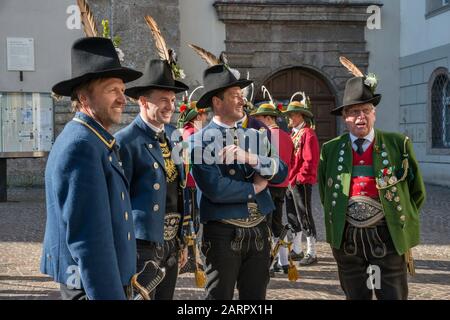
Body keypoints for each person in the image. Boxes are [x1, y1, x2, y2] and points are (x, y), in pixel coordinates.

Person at [40, 37, 142, 300]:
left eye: (123, 89)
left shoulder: (93, 140)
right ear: (84, 97)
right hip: (93, 287)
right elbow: (90, 241)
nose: (123, 99)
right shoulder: (82, 146)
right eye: (112, 90)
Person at [318, 67, 426, 299]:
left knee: (392, 295)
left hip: (387, 235)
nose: (361, 117)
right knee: (356, 295)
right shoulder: (330, 149)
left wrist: (398, 219)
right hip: (347, 238)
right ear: (345, 117)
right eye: (354, 111)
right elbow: (325, 194)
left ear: (374, 114)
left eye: (366, 110)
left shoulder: (399, 144)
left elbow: (417, 192)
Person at [190, 64, 288, 299]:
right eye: (234, 96)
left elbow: (282, 171)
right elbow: (215, 189)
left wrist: (251, 158)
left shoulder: (256, 135)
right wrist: (254, 187)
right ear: (217, 102)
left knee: (255, 298)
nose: (241, 101)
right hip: (223, 234)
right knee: (219, 298)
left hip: (258, 232)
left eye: (241, 96)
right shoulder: (199, 141)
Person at [115, 58, 190, 300]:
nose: (170, 106)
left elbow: (179, 191)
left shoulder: (173, 136)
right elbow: (118, 200)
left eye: (172, 100)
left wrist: (182, 239)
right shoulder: (125, 141)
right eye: (163, 100)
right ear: (144, 102)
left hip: (170, 243)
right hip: (142, 245)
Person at [283, 92, 320, 266]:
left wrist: (299, 178)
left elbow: (310, 160)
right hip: (291, 181)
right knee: (292, 215)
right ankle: (297, 249)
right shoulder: (293, 134)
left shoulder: (308, 134)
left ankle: (312, 251)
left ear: (300, 115)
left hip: (300, 182)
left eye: (291, 114)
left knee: (304, 214)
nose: (289, 118)